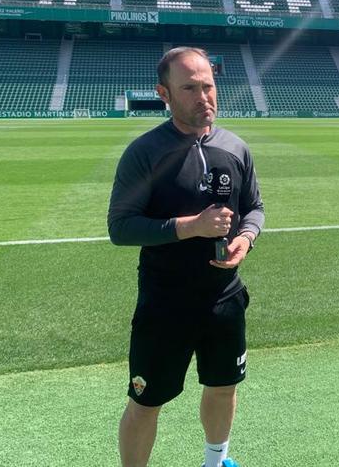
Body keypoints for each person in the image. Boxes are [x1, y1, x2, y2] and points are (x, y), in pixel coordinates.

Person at [108, 47, 264, 467]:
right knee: (146, 401)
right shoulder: (146, 153)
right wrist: (189, 226)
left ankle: (216, 461)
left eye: (208, 86)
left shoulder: (235, 147)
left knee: (223, 386)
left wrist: (246, 239)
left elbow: (254, 208)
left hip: (224, 298)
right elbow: (120, 228)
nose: (203, 97)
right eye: (189, 88)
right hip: (165, 303)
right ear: (165, 93)